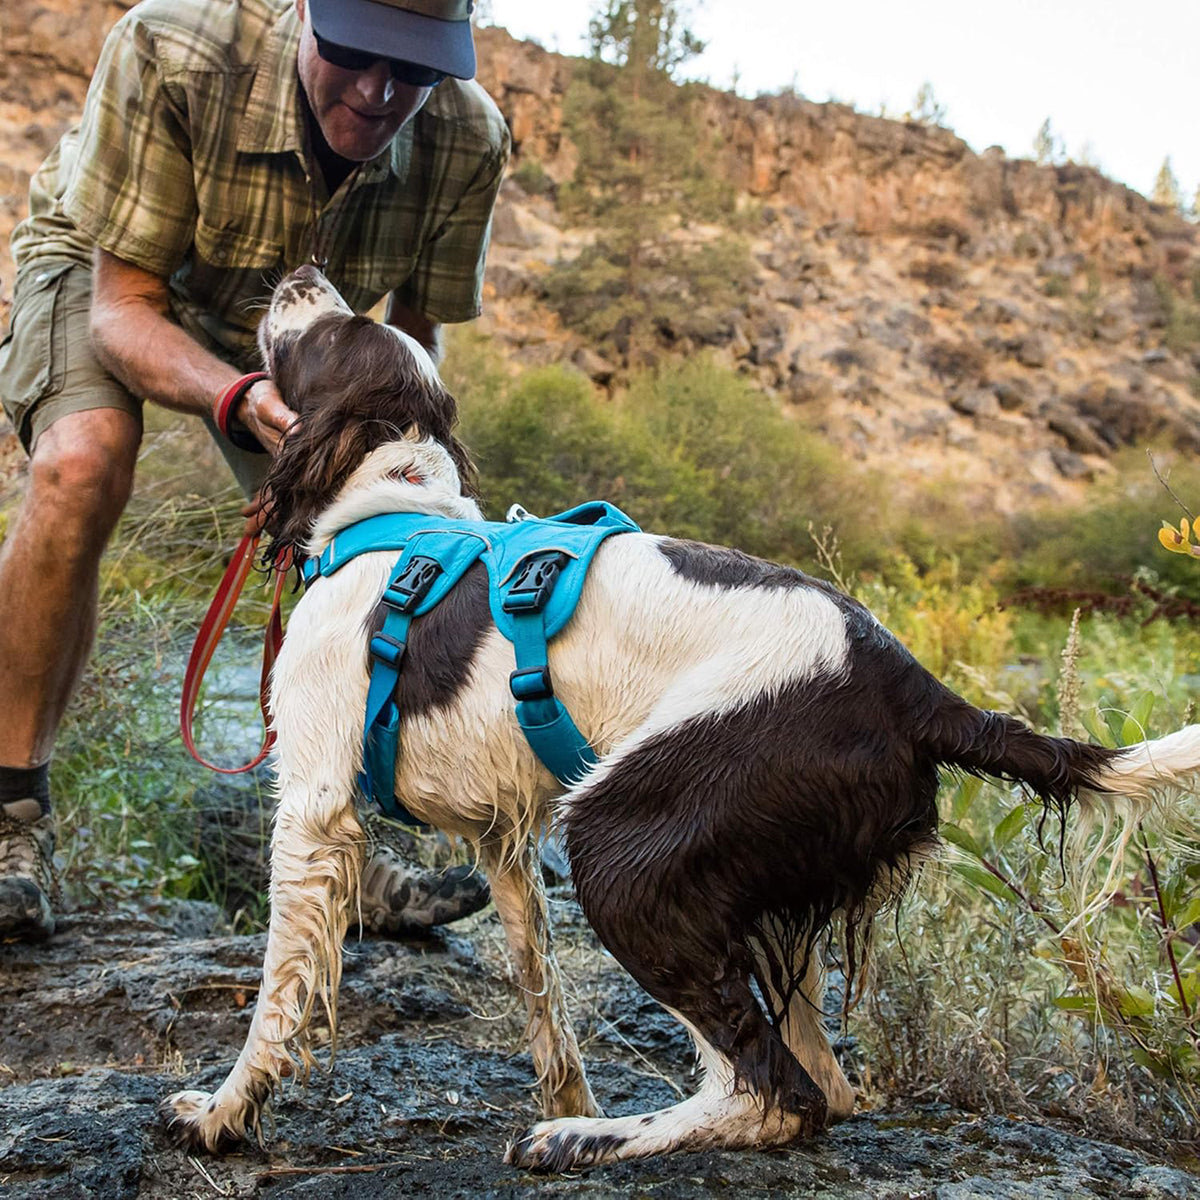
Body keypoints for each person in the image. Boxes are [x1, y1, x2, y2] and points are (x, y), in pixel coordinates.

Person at [0, 0, 510, 939]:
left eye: (414, 69)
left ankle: (333, 840)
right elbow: (124, 309)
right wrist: (235, 400)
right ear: (308, 13)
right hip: (113, 274)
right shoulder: (176, 49)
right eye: (354, 53)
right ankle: (9, 820)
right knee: (83, 461)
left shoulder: (470, 137)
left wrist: (391, 489)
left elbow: (415, 340)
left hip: (297, 333)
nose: (377, 90)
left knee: (373, 534)